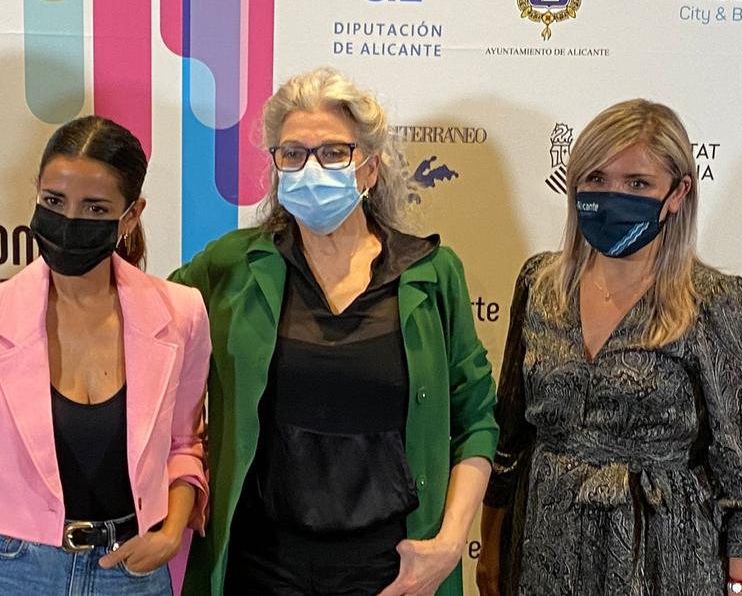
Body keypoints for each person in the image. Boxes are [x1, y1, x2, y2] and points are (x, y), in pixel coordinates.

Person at [172, 67, 498, 596]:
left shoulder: (432, 273)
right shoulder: (233, 264)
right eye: (293, 154)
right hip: (261, 567)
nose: (310, 168)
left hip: (392, 569)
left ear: (368, 169)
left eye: (332, 152)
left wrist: (449, 542)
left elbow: (477, 418)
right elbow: (148, 329)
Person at [477, 99, 742, 595]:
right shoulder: (540, 285)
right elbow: (510, 436)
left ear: (676, 194)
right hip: (545, 548)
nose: (613, 196)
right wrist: (491, 552)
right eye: (595, 179)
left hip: (665, 559)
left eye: (638, 184)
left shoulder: (718, 302)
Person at [0, 115, 210, 596]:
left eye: (95, 208)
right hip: (11, 569)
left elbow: (185, 446)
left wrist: (171, 533)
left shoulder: (181, 313)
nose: (69, 221)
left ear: (131, 216)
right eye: (54, 201)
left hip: (131, 571)